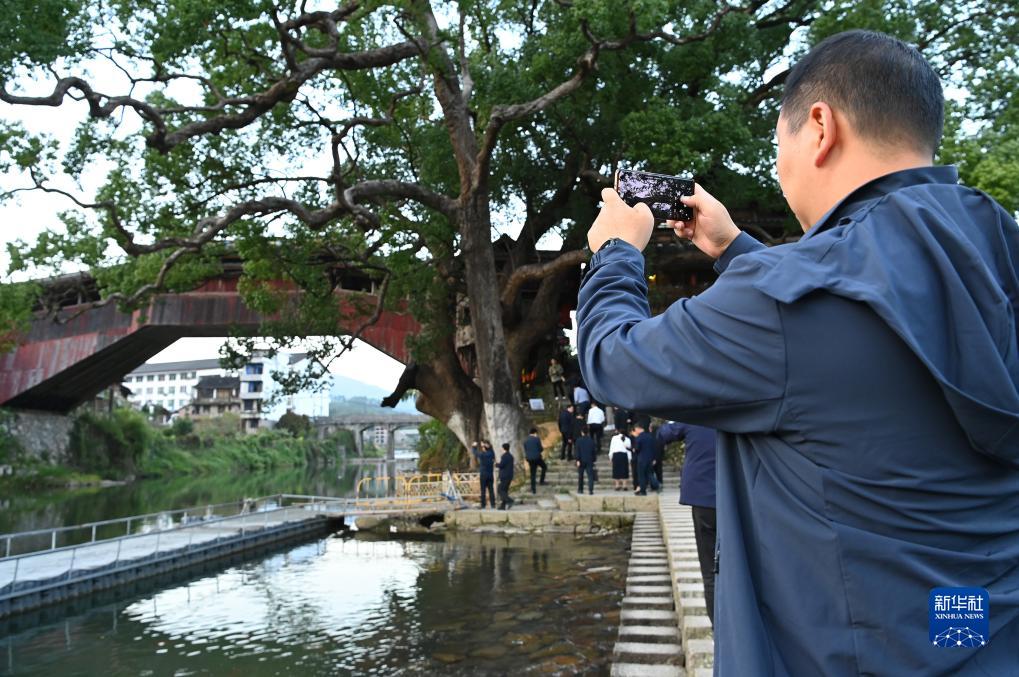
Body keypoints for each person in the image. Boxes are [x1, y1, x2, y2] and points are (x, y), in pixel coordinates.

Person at [577, 30, 1019, 675]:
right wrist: (736, 249)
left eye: (777, 145)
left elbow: (615, 362)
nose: (780, 170)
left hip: (849, 649)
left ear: (820, 127)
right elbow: (861, 315)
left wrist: (615, 254)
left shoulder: (782, 301)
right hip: (978, 631)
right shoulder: (992, 251)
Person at [660, 422, 718, 626]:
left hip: (703, 497)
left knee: (710, 569)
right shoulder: (737, 414)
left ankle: (718, 627)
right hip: (736, 498)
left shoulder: (695, 417)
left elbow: (664, 434)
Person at [631, 417, 659, 495]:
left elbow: (637, 448)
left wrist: (634, 449)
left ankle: (643, 490)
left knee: (642, 475)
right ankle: (656, 485)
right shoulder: (650, 437)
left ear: (638, 428)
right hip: (649, 458)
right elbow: (654, 448)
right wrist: (654, 458)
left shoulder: (639, 438)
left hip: (641, 459)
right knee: (650, 473)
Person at [471, 440, 496, 509]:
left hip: (483, 475)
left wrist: (474, 446)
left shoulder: (482, 455)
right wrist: (486, 445)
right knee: (491, 490)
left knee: (483, 490)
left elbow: (475, 452)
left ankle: (483, 505)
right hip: (490, 474)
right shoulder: (492, 454)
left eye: (482, 447)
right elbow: (490, 448)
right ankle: (493, 504)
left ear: (484, 448)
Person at [523, 427, 547, 493]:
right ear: (535, 433)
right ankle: (541, 481)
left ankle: (533, 489)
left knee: (533, 473)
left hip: (530, 459)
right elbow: (541, 448)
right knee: (544, 467)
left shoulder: (526, 440)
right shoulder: (537, 439)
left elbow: (526, 449)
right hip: (537, 458)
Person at [574, 425, 597, 495]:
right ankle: (591, 490)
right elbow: (594, 451)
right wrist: (593, 459)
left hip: (581, 460)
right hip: (589, 460)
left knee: (581, 475)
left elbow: (577, 451)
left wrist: (577, 460)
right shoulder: (591, 441)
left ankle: (580, 489)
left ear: (582, 432)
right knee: (590, 476)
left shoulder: (578, 440)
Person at [495, 442, 515, 510]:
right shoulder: (511, 456)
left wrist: (495, 464)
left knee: (500, 489)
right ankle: (502, 506)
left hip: (505, 476)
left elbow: (501, 465)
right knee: (504, 491)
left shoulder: (504, 456)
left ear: (503, 448)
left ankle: (510, 500)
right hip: (509, 475)